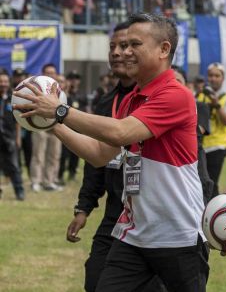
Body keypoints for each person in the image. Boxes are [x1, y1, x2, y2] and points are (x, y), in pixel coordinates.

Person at [16, 13, 208, 291]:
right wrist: (48, 122)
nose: (125, 52)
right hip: (134, 235)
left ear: (164, 49)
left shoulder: (176, 94)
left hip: (178, 237)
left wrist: (59, 111)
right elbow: (98, 154)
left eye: (135, 45)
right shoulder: (131, 99)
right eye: (123, 44)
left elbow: (121, 132)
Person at [65, 22, 142, 292]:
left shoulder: (159, 99)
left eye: (127, 46)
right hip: (116, 213)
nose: (118, 53)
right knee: (95, 279)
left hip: (153, 217)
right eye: (113, 47)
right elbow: (97, 160)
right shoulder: (104, 103)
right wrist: (83, 208)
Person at [171, 65, 215, 205]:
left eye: (178, 81)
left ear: (187, 85)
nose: (173, 85)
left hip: (194, 163)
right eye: (169, 81)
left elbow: (199, 131)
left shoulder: (199, 106)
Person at [195, 63, 226, 197]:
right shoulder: (200, 96)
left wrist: (217, 105)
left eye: (217, 76)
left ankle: (213, 211)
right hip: (200, 146)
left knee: (211, 182)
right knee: (199, 182)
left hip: (218, 146)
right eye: (211, 75)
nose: (213, 79)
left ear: (222, 78)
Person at [29, 63, 63, 192]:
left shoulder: (60, 90)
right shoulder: (36, 88)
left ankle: (49, 181)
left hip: (56, 126)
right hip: (39, 126)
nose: (50, 75)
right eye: (48, 72)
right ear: (43, 74)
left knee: (54, 155)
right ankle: (35, 181)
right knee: (38, 155)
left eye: (52, 72)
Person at [0, 70, 25, 200]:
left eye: (5, 81)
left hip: (9, 138)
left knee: (14, 166)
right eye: (1, 81)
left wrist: (18, 138)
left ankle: (19, 191)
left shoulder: (13, 98)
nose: (3, 84)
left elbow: (18, 121)